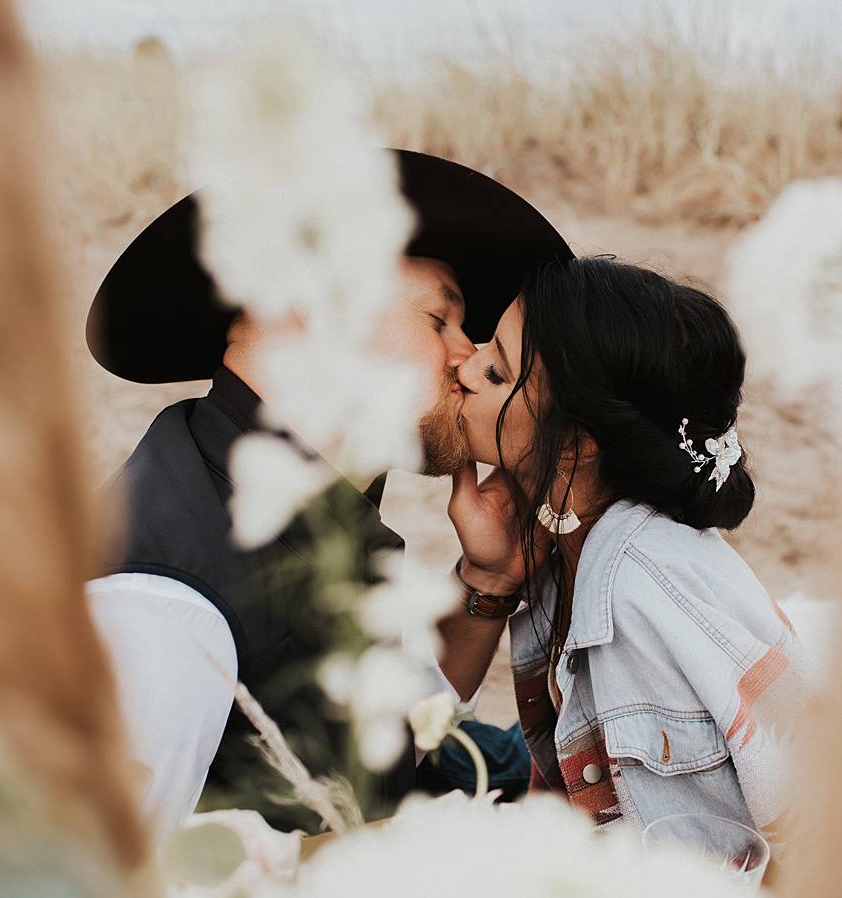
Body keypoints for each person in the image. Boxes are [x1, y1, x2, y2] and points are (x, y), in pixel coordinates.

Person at [85, 151, 571, 834]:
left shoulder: (319, 503)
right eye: (439, 320)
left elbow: (402, 732)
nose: (470, 357)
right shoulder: (164, 606)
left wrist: (486, 581)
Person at [442, 255, 817, 850]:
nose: (464, 363)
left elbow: (769, 842)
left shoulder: (636, 598)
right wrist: (490, 575)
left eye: (498, 373)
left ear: (572, 446)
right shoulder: (566, 542)